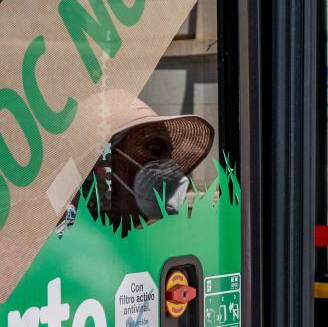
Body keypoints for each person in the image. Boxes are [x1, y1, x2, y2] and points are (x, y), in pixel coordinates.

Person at [59, 97, 214, 236]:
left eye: (169, 156)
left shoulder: (145, 246)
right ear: (103, 162)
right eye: (154, 150)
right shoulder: (61, 239)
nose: (171, 168)